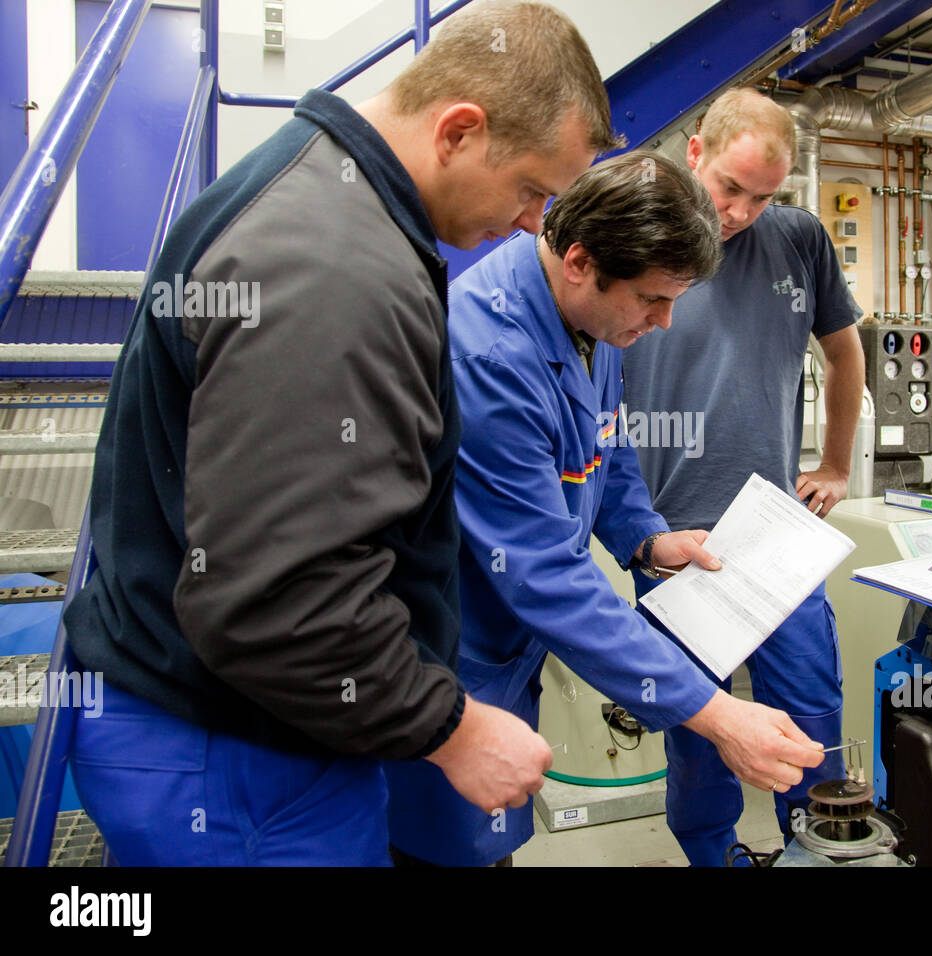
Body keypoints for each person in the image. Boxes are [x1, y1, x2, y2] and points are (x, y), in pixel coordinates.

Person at [63, 1, 619, 866]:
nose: (529, 225)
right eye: (532, 191)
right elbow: (279, 601)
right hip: (238, 763)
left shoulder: (325, 197)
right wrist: (452, 729)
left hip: (250, 732)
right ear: (459, 131)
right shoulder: (333, 269)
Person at [384, 151, 827, 867]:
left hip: (504, 648)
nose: (665, 320)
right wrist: (714, 713)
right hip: (451, 653)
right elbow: (546, 576)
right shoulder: (491, 357)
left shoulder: (593, 322)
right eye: (654, 299)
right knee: (441, 848)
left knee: (488, 843)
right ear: (580, 261)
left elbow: (606, 445)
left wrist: (648, 541)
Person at [620, 87, 867, 866]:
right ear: (694, 152)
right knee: (701, 734)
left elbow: (844, 353)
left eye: (764, 195)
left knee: (811, 718)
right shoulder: (638, 240)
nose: (742, 211)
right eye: (731, 187)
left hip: (774, 537)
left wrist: (834, 463)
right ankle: (711, 854)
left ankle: (825, 848)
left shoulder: (798, 242)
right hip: (674, 542)